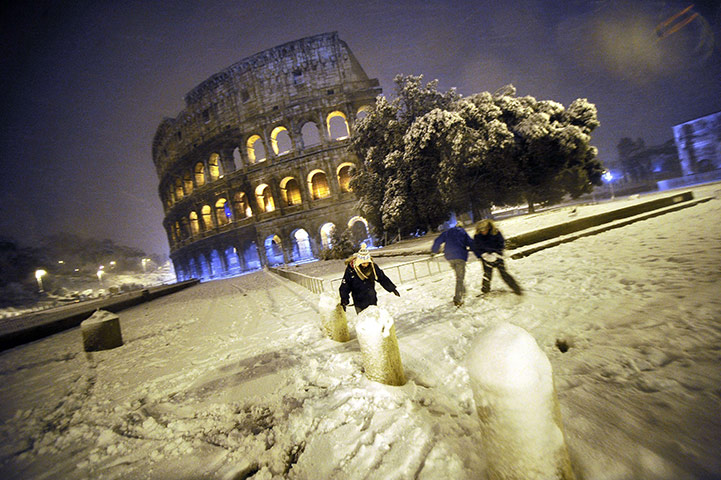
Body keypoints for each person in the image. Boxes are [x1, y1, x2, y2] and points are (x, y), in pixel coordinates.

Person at [339, 243, 400, 314]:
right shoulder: (351, 270)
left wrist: (392, 288)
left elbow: (382, 278)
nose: (365, 265)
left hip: (371, 299)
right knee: (363, 321)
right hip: (359, 301)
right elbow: (345, 285)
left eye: (367, 263)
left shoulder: (373, 267)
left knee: (373, 319)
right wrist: (344, 299)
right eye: (363, 263)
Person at [472, 219, 522, 296]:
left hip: (497, 256)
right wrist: (483, 255)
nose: (483, 232)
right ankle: (485, 290)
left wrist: (496, 253)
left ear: (488, 227)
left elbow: (501, 244)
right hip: (485, 257)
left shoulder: (496, 233)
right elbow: (476, 248)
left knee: (504, 273)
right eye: (481, 230)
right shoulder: (477, 236)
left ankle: (516, 288)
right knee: (487, 274)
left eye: (484, 229)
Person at [431, 224, 473, 306]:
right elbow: (470, 242)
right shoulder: (462, 232)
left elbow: (438, 240)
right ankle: (458, 298)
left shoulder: (448, 232)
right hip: (460, 256)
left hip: (449, 256)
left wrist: (434, 251)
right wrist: (478, 252)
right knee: (460, 278)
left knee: (458, 276)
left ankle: (463, 291)